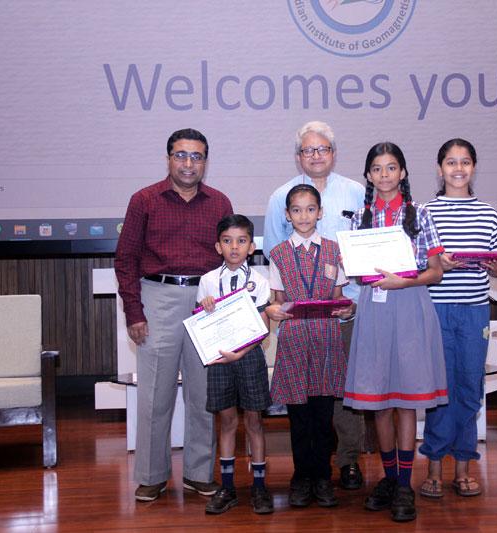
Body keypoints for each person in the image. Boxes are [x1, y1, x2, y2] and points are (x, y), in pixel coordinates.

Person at [114, 128, 231, 502]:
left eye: (197, 156)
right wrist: (134, 312)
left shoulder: (220, 203)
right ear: (168, 159)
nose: (188, 163)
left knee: (203, 395)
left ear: (205, 162)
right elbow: (126, 259)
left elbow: (231, 257)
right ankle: (151, 475)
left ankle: (199, 473)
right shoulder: (144, 200)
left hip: (206, 302)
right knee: (155, 394)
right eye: (181, 155)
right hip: (157, 298)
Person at [343, 142, 448, 523]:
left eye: (391, 167)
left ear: (402, 172)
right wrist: (365, 270)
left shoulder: (420, 214)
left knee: (406, 401)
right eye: (377, 168)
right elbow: (358, 274)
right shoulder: (360, 217)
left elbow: (435, 272)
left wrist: (403, 281)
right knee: (380, 402)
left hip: (410, 307)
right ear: (368, 176)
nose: (384, 175)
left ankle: (404, 484)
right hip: (374, 311)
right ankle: (388, 479)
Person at [263, 121, 366, 490]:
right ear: (298, 156)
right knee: (307, 401)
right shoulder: (279, 197)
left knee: (343, 393)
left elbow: (368, 245)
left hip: (347, 307)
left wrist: (350, 305)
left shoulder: (357, 192)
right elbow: (276, 255)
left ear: (333, 153)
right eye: (308, 150)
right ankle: (309, 472)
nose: (316, 155)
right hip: (299, 323)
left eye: (322, 149)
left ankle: (348, 461)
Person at [419, 138, 497, 499]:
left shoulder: (489, 214)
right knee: (438, 390)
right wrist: (437, 264)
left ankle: (463, 467)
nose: (458, 169)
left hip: (475, 311)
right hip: (435, 310)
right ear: (439, 168)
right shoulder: (425, 212)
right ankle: (433, 468)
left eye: (464, 162)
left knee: (469, 388)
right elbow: (415, 263)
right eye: (451, 162)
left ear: (473, 167)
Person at [265, 184, 355, 508]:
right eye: (297, 210)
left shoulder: (334, 250)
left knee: (322, 416)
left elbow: (339, 298)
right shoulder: (278, 254)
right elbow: (278, 300)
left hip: (326, 340)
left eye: (310, 209)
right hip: (294, 342)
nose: (304, 216)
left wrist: (348, 309)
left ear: (321, 212)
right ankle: (301, 477)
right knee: (299, 417)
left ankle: (323, 477)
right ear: (287, 215)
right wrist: (273, 310)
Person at [197, 214, 275, 515]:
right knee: (227, 422)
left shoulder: (260, 281)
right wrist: (205, 308)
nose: (234, 247)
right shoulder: (207, 281)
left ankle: (259, 486)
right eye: (227, 241)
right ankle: (227, 487)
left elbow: (264, 327)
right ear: (218, 246)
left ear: (252, 247)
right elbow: (201, 323)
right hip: (219, 359)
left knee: (254, 422)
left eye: (241, 241)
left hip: (249, 357)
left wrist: (241, 353)